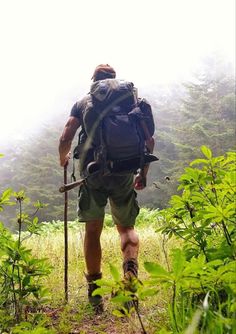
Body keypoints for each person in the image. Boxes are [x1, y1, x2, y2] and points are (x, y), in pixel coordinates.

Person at [59, 64, 155, 313]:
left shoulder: (85, 102)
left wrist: (64, 156)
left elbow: (66, 134)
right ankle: (130, 274)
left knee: (93, 231)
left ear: (94, 80)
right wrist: (142, 174)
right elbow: (149, 141)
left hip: (93, 174)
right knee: (127, 228)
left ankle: (95, 293)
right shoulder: (134, 100)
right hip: (124, 172)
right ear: (114, 80)